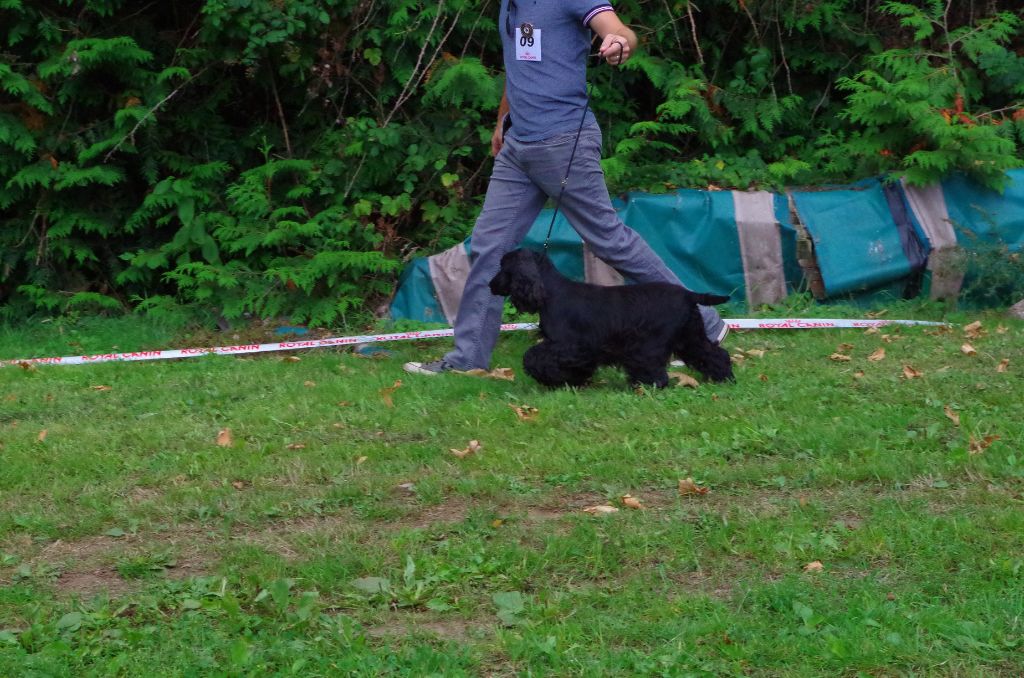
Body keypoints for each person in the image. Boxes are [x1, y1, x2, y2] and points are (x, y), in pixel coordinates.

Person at [404, 0, 727, 376]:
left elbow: (619, 30)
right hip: (517, 147)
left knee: (609, 239)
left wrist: (618, 42)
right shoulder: (509, 4)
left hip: (563, 141)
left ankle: (703, 322)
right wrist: (502, 120)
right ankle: (468, 359)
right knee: (489, 247)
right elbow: (519, 67)